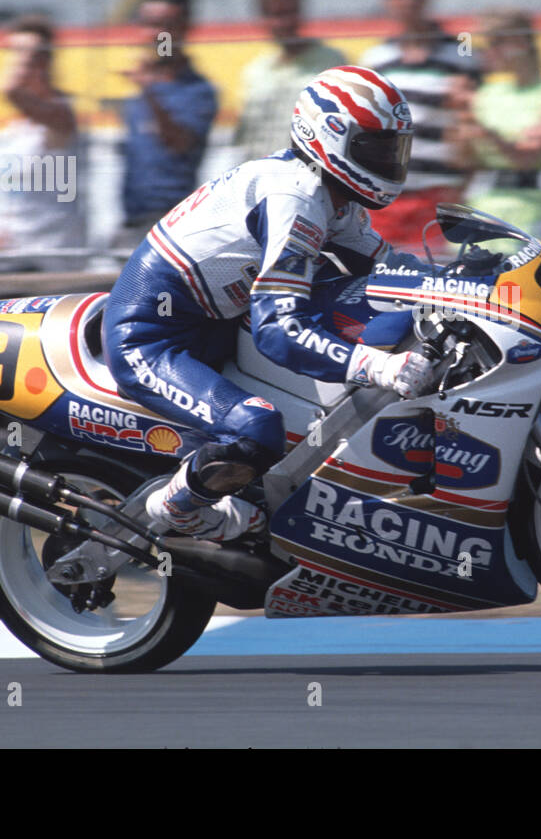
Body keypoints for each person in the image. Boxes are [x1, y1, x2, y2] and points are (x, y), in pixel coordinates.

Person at [100, 66, 432, 547]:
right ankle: (177, 510)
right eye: (376, 148)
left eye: (394, 149)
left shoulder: (329, 194)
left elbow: (390, 266)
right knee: (257, 427)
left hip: (214, 323)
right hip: (153, 339)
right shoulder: (295, 197)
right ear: (328, 136)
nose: (388, 161)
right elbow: (278, 329)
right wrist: (377, 366)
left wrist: (466, 280)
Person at [361, 0, 481, 249]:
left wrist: (463, 189)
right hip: (385, 198)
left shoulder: (461, 55)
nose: (408, 2)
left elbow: (474, 128)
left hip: (438, 194)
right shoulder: (376, 59)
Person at [113, 0, 218, 252]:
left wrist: (150, 93)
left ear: (184, 28)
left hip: (173, 224)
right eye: (148, 24)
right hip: (132, 220)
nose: (156, 35)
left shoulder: (198, 90)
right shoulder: (139, 82)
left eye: (165, 26)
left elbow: (179, 143)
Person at [452, 11, 541, 247]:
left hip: (532, 209)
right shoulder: (486, 94)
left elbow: (528, 157)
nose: (489, 52)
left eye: (496, 43)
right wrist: (460, 119)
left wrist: (486, 133)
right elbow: (464, 160)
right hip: (484, 207)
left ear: (521, 43)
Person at [0, 15, 87, 272]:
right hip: (14, 247)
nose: (19, 60)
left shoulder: (60, 112)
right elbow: (13, 187)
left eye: (27, 54)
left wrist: (24, 54)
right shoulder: (18, 125)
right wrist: (2, 227)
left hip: (53, 250)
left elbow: (7, 89)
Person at [231, 0, 346, 161]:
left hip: (313, 170)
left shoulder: (331, 62)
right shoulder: (255, 71)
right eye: (275, 15)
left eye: (289, 12)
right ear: (262, 18)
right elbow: (246, 136)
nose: (284, 23)